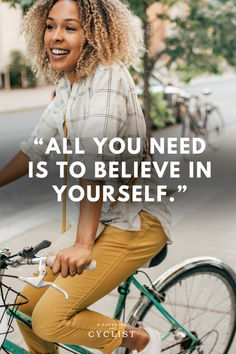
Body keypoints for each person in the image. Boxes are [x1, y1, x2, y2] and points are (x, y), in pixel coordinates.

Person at [0, 0, 171, 353]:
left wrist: (82, 243)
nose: (55, 37)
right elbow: (35, 150)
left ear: (94, 34)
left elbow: (95, 163)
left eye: (70, 27)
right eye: (50, 26)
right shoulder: (70, 84)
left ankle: (137, 340)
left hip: (136, 220)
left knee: (51, 320)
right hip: (104, 217)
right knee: (23, 305)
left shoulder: (108, 74)